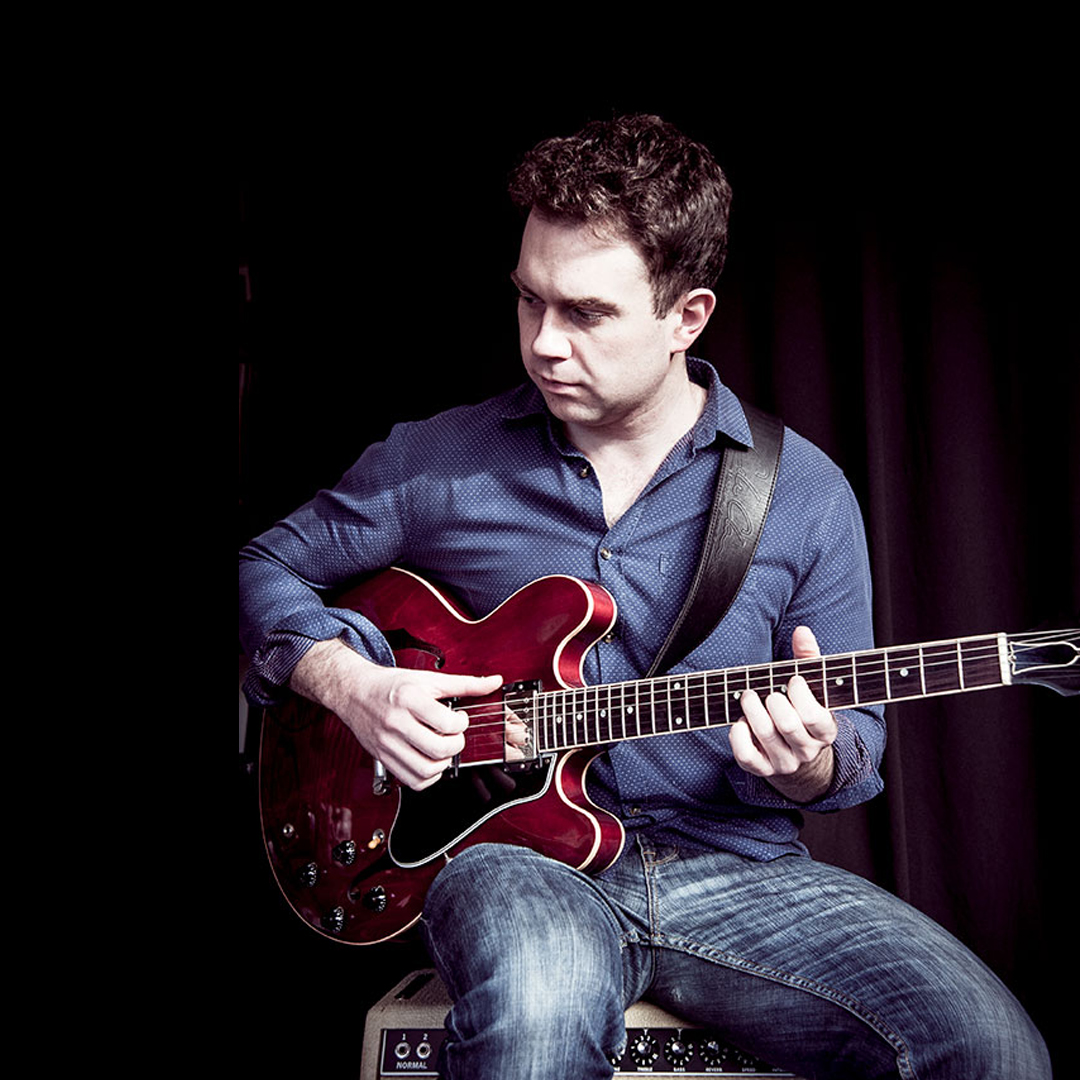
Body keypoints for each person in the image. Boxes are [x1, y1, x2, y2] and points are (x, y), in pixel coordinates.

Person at [239, 115, 1049, 1078]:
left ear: (687, 316)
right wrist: (347, 680)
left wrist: (811, 765)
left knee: (994, 1049)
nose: (543, 343)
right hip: (518, 866)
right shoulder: (439, 459)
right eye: (528, 301)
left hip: (734, 870)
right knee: (535, 1025)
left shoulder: (806, 495)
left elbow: (857, 736)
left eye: (585, 313)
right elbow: (261, 567)